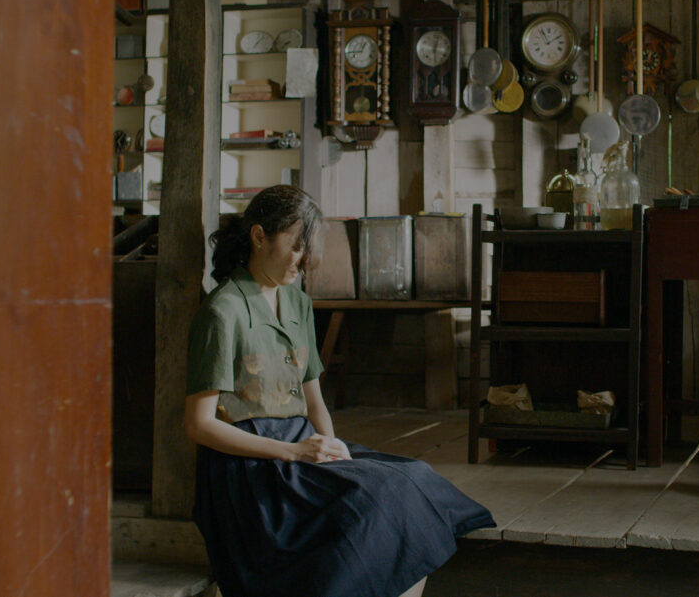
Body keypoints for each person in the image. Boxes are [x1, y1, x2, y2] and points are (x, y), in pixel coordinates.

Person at [184, 185, 494, 597]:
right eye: (297, 246)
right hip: (250, 470)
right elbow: (199, 425)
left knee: (412, 480)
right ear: (259, 237)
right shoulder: (223, 312)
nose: (305, 261)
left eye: (308, 249)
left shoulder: (296, 302)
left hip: (300, 446)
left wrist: (332, 453)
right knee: (375, 500)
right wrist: (293, 453)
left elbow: (314, 400)